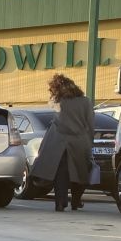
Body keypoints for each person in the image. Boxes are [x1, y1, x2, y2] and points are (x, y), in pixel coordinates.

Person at [31, 74, 95, 212]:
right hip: (79, 141)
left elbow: (53, 106)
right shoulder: (86, 101)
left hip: (58, 142)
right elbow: (90, 123)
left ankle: (60, 203)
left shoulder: (58, 102)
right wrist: (90, 141)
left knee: (61, 174)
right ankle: (76, 201)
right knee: (81, 173)